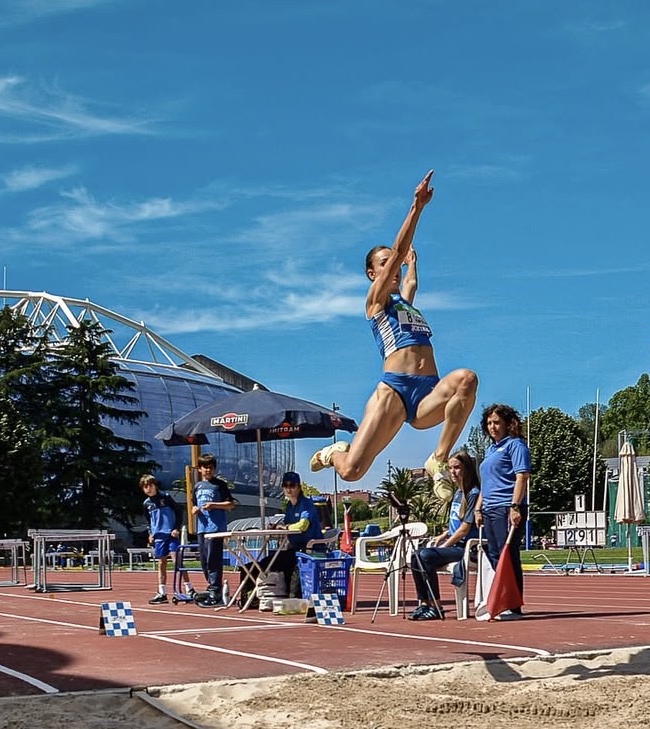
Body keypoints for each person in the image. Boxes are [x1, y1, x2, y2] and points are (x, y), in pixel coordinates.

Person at [309, 171, 479, 496]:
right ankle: (334, 453)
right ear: (373, 273)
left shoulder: (405, 304)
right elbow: (398, 254)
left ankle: (439, 459)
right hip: (394, 392)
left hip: (427, 393)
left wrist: (412, 264)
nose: (395, 269)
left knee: (466, 380)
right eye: (387, 264)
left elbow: (411, 282)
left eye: (397, 265)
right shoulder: (375, 302)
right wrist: (417, 208)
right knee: (353, 472)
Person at [408, 451, 481, 621]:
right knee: (415, 556)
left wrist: (444, 546)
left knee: (426, 556)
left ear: (467, 470)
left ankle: (436, 606)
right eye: (450, 468)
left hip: (466, 548)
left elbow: (464, 529)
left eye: (457, 468)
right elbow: (455, 526)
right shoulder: (457, 494)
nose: (453, 472)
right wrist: (442, 535)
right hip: (454, 545)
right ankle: (424, 603)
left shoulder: (473, 494)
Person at [478, 403, 530, 621]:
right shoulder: (491, 450)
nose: (492, 427)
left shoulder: (516, 446)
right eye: (489, 423)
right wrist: (478, 507)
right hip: (489, 508)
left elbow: (522, 476)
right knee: (494, 556)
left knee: (507, 555)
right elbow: (485, 483)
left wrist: (515, 506)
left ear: (509, 424)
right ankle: (499, 600)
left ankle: (513, 604)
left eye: (497, 422)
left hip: (505, 507)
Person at [240, 471, 322, 606]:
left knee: (279, 563)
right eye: (285, 485)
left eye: (292, 485)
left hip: (309, 550)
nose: (289, 489)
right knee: (250, 566)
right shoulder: (289, 506)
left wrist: (285, 528)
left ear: (299, 487)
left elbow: (303, 525)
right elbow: (286, 524)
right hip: (293, 549)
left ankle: (287, 597)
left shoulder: (306, 504)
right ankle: (249, 598)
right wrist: (276, 527)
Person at [192, 453, 236, 607]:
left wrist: (214, 505)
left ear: (214, 469)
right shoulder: (197, 486)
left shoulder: (220, 485)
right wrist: (195, 509)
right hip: (201, 528)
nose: (208, 470)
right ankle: (211, 586)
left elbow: (231, 504)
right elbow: (193, 504)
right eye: (205, 467)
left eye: (210, 468)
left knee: (213, 559)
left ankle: (216, 590)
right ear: (199, 469)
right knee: (204, 561)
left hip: (216, 528)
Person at [140, 474, 183, 604]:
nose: (148, 489)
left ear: (155, 485)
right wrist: (150, 533)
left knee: (177, 561)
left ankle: (188, 588)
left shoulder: (166, 497)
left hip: (171, 534)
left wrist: (176, 528)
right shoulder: (146, 504)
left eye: (150, 485)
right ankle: (162, 592)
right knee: (161, 563)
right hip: (159, 537)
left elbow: (179, 512)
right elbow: (149, 521)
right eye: (145, 487)